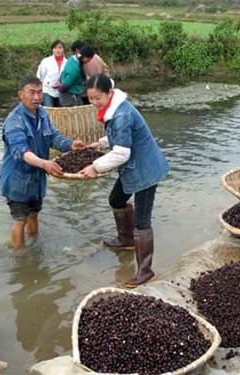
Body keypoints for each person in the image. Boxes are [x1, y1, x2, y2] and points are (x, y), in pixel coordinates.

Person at [80, 74, 169, 288]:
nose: (93, 103)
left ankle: (145, 271)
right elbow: (119, 137)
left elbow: (121, 153)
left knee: (142, 220)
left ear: (109, 93)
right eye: (90, 98)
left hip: (146, 169)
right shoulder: (114, 109)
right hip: (133, 166)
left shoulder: (121, 114)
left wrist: (94, 166)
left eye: (97, 98)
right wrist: (100, 144)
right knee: (116, 199)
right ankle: (126, 240)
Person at [0, 76, 83, 249]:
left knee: (34, 214)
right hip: (17, 180)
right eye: (32, 93)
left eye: (40, 93)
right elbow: (21, 151)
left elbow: (53, 137)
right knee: (20, 220)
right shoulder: (14, 121)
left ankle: (35, 247)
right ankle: (20, 260)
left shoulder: (42, 113)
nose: (37, 97)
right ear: (20, 94)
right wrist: (45, 163)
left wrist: (71, 144)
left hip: (36, 179)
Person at [36, 39, 67, 107]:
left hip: (61, 92)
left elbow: (68, 77)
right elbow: (40, 76)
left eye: (60, 47)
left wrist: (61, 84)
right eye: (55, 48)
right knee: (49, 110)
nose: (57, 50)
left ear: (64, 49)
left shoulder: (67, 63)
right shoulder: (46, 61)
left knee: (61, 112)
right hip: (47, 91)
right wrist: (39, 91)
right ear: (52, 49)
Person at [58, 41, 86, 107]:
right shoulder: (74, 67)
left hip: (71, 94)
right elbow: (67, 83)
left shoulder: (72, 59)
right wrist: (60, 89)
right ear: (77, 50)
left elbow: (63, 73)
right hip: (70, 97)